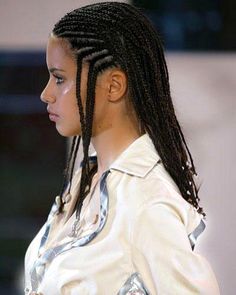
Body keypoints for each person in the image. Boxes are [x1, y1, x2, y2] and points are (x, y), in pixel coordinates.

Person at [24, 2, 220, 294]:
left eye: (60, 78)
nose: (46, 93)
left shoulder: (146, 203)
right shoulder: (87, 180)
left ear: (114, 86)